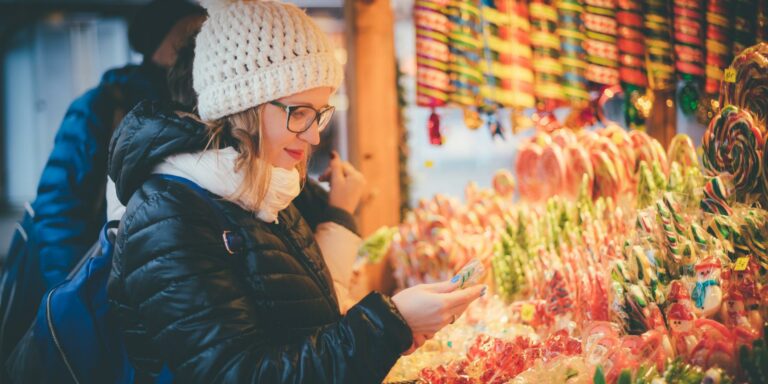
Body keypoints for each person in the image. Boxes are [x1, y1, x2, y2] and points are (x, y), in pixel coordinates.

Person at [106, 1, 486, 382]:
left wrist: (391, 338)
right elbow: (241, 374)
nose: (315, 134)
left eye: (320, 112)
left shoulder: (267, 188)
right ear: (243, 105)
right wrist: (389, 324)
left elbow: (308, 324)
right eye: (299, 112)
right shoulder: (168, 217)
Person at [0, 0, 206, 373]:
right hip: (99, 291)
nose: (202, 42)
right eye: (191, 33)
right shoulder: (102, 105)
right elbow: (58, 216)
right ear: (158, 41)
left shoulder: (199, 106)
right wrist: (74, 310)